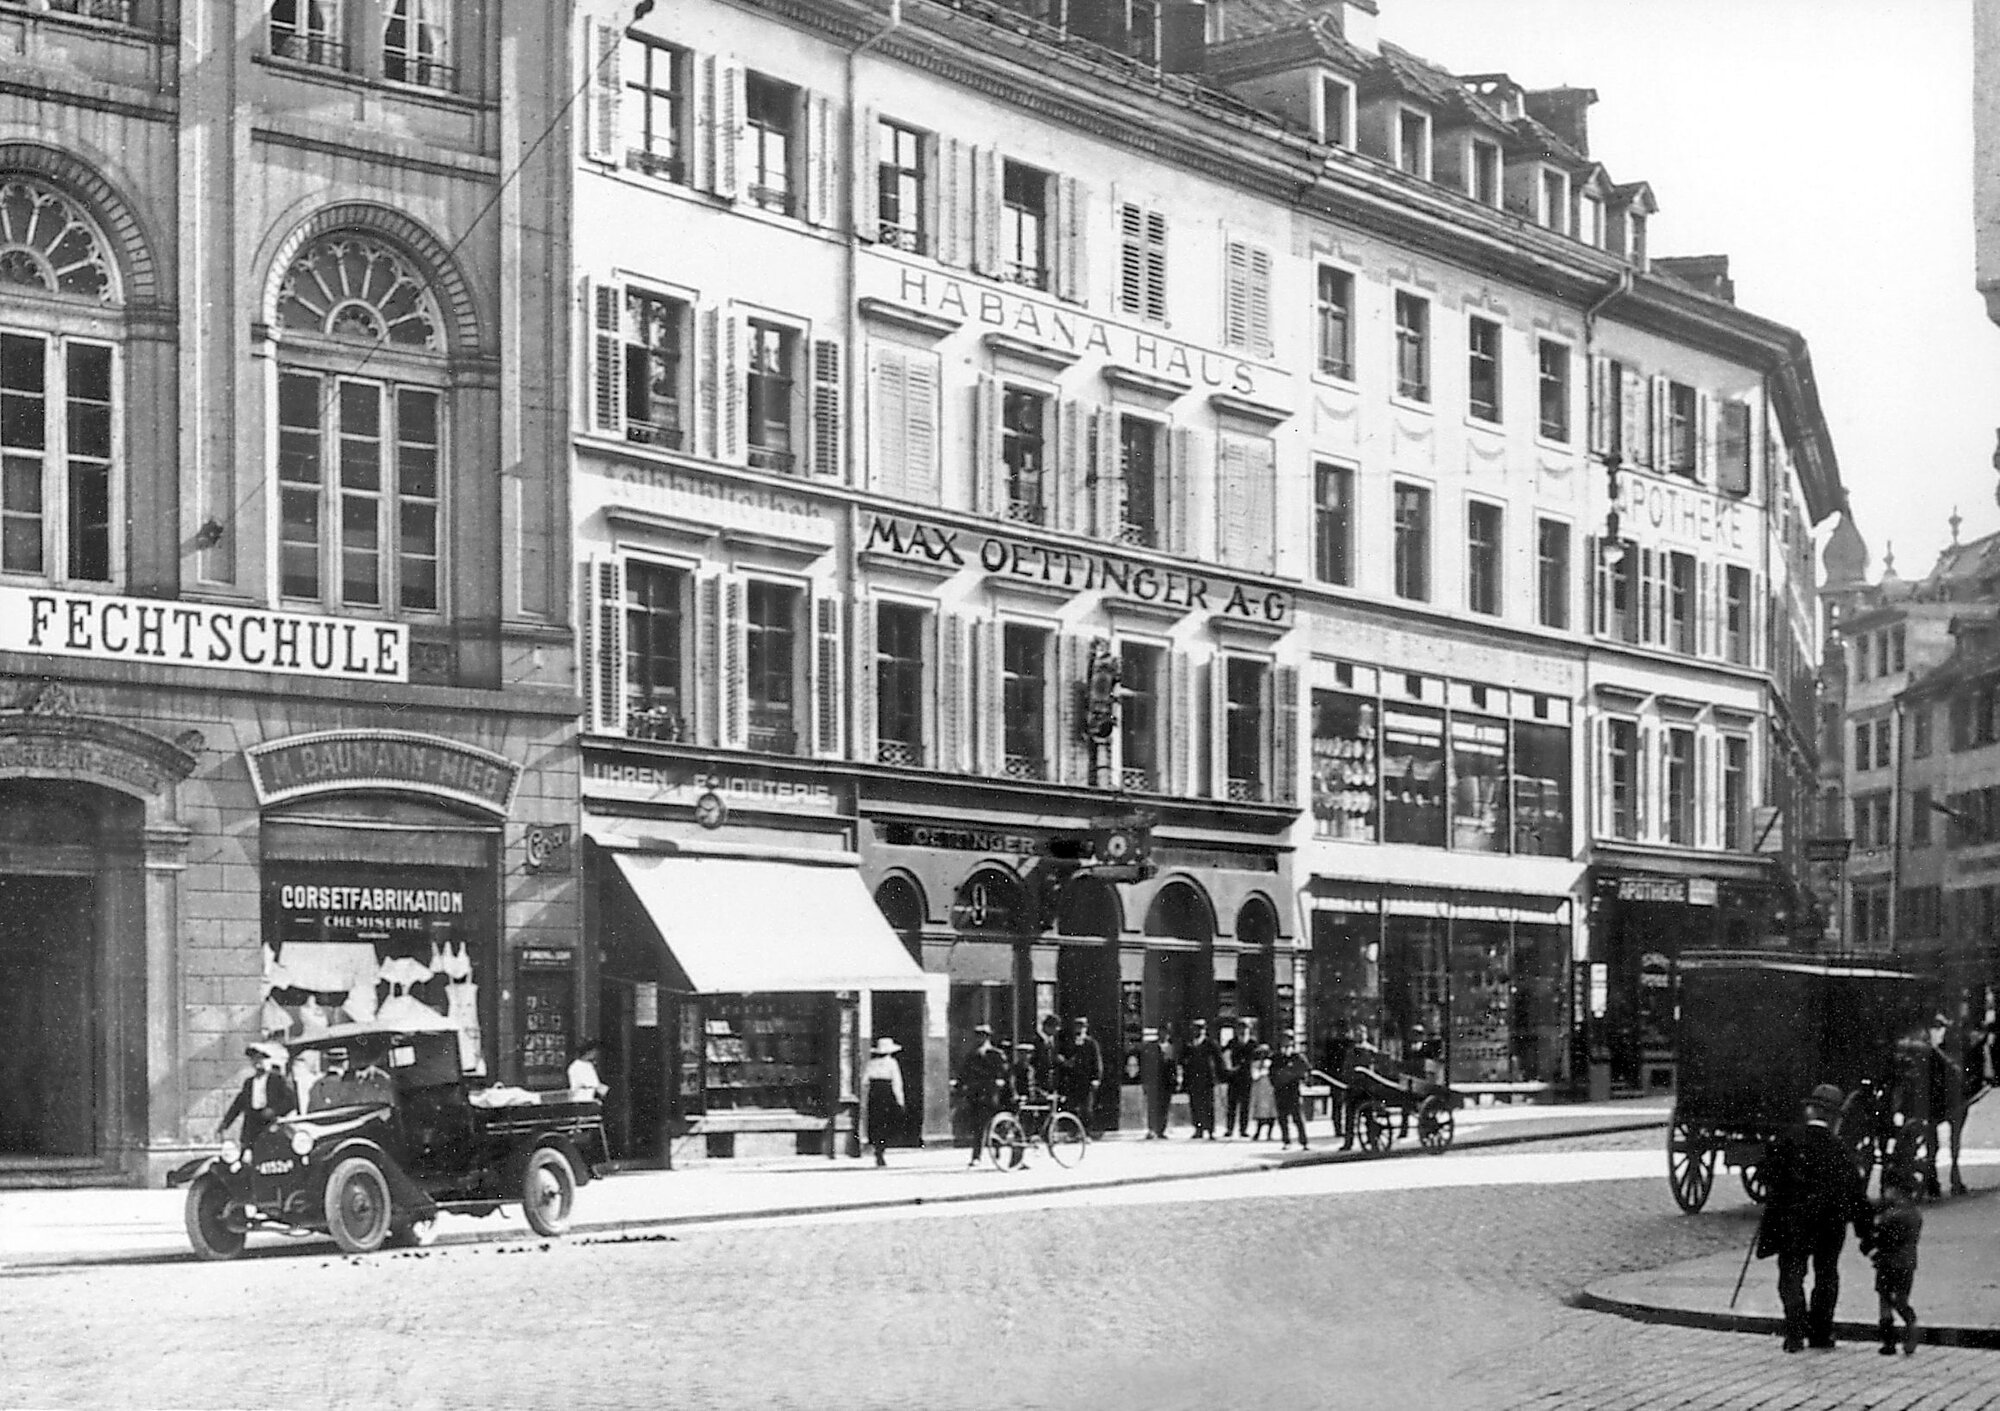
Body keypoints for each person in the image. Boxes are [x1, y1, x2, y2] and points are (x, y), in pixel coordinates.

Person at [1757, 1082, 1875, 1352]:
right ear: (1835, 1118)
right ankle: (1820, 1334)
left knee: (1791, 1275)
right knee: (1826, 1276)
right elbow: (1856, 1194)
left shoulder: (1788, 1141)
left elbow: (1766, 1175)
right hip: (1828, 1226)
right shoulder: (1840, 1150)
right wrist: (1866, 1233)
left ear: (1809, 1111)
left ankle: (1794, 1333)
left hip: (1793, 1224)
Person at [1860, 1169, 1924, 1356]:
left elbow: (1879, 1235)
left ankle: (1889, 1341)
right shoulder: (1914, 1213)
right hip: (1907, 1262)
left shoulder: (1892, 1215)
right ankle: (1911, 1326)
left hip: (1888, 1261)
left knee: (1885, 1299)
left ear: (1895, 1190)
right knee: (1901, 1298)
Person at [218, 1041, 296, 1147]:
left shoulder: (277, 1080)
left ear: (268, 1060)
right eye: (254, 1059)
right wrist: (225, 1124)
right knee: (246, 1154)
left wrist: (274, 1111)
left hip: (271, 1123)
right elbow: (238, 1105)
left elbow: (291, 1101)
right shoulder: (249, 1083)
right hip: (252, 1126)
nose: (257, 1062)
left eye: (261, 1058)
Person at [954, 1024, 1011, 1165]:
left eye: (983, 1036)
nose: (980, 1039)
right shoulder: (971, 1055)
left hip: (993, 1094)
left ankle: (993, 1148)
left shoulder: (996, 1054)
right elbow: (964, 1074)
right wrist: (959, 1088)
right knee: (978, 1125)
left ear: (988, 1037)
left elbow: (1005, 1073)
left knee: (993, 1123)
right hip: (976, 1094)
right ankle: (977, 1156)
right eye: (978, 1036)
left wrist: (1001, 1083)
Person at [1057, 1016, 1105, 1133]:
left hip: (1086, 1080)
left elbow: (1097, 1062)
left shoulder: (1091, 1043)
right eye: (1077, 1027)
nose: (1079, 1030)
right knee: (1071, 1106)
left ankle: (1086, 1132)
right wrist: (1065, 1062)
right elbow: (1060, 1056)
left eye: (1082, 1027)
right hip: (1072, 1079)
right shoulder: (1069, 1042)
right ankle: (1072, 1131)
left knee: (1086, 1108)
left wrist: (1096, 1078)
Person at [864, 1037, 906, 1167]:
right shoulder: (892, 1063)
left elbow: (864, 1081)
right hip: (887, 1094)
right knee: (886, 1122)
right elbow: (897, 1083)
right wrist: (900, 1101)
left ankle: (877, 1148)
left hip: (874, 1094)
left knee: (876, 1122)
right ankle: (882, 1149)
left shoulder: (871, 1063)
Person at [1270, 1031, 1311, 1150]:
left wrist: (1299, 1077)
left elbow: (1306, 1069)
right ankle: (1286, 1141)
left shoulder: (1297, 1056)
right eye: (1284, 1039)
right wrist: (1276, 1081)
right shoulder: (1276, 1057)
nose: (1286, 1042)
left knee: (1297, 1117)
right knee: (1282, 1118)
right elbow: (1272, 1073)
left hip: (1293, 1090)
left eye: (1288, 1039)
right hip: (1280, 1090)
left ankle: (1303, 1141)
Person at [1181, 1019, 1221, 1139]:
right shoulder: (1189, 1045)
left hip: (1207, 1080)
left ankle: (1210, 1130)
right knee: (1195, 1105)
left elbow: (1218, 1061)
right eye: (1195, 1029)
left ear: (1204, 1030)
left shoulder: (1210, 1044)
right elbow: (1183, 1061)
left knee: (1208, 1105)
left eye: (1200, 1029)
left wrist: (1220, 1076)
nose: (1197, 1031)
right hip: (1193, 1080)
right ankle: (1198, 1129)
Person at [1221, 1018, 1259, 1138]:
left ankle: (1243, 1129)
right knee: (1231, 1104)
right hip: (1234, 1077)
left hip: (1246, 1077)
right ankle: (1230, 1128)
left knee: (1245, 1105)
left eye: (1245, 1028)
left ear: (1249, 1029)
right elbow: (1224, 1055)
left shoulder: (1253, 1043)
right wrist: (1228, 1068)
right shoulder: (1232, 1042)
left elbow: (1257, 1059)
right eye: (1240, 1028)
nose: (1242, 1030)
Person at [1140, 1025, 1178, 1138]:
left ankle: (1161, 1130)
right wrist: (1145, 1082)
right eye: (1162, 1033)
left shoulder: (1171, 1048)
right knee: (1152, 1107)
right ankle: (1152, 1129)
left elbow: (1174, 1066)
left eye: (1166, 1033)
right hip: (1154, 1082)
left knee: (1164, 1107)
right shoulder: (1151, 1047)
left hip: (1166, 1083)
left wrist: (1175, 1080)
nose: (1164, 1035)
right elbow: (1146, 1065)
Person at [1248, 1042, 1276, 1141]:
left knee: (1271, 1112)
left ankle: (1269, 1133)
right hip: (1260, 1091)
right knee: (1260, 1112)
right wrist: (1261, 1069)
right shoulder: (1255, 1064)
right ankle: (1258, 1132)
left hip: (1270, 1089)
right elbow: (1254, 1076)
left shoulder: (1271, 1063)